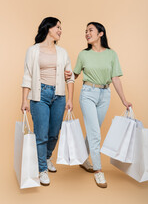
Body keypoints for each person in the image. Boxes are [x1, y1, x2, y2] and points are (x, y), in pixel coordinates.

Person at [72, 22, 132, 188]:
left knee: (94, 130)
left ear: (101, 33)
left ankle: (83, 159)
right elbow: (74, 75)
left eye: (90, 30)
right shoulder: (83, 54)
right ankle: (98, 171)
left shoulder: (112, 54)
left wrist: (124, 100)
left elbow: (115, 78)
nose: (87, 33)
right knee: (95, 133)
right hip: (88, 94)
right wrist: (65, 74)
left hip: (105, 95)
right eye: (85, 31)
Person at [21, 17, 74, 186]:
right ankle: (42, 168)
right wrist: (24, 100)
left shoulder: (63, 52)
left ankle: (47, 157)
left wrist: (70, 99)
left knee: (54, 133)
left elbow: (70, 77)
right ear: (48, 28)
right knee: (41, 134)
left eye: (61, 27)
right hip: (40, 95)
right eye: (58, 27)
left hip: (59, 96)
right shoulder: (33, 50)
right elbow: (27, 76)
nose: (60, 30)